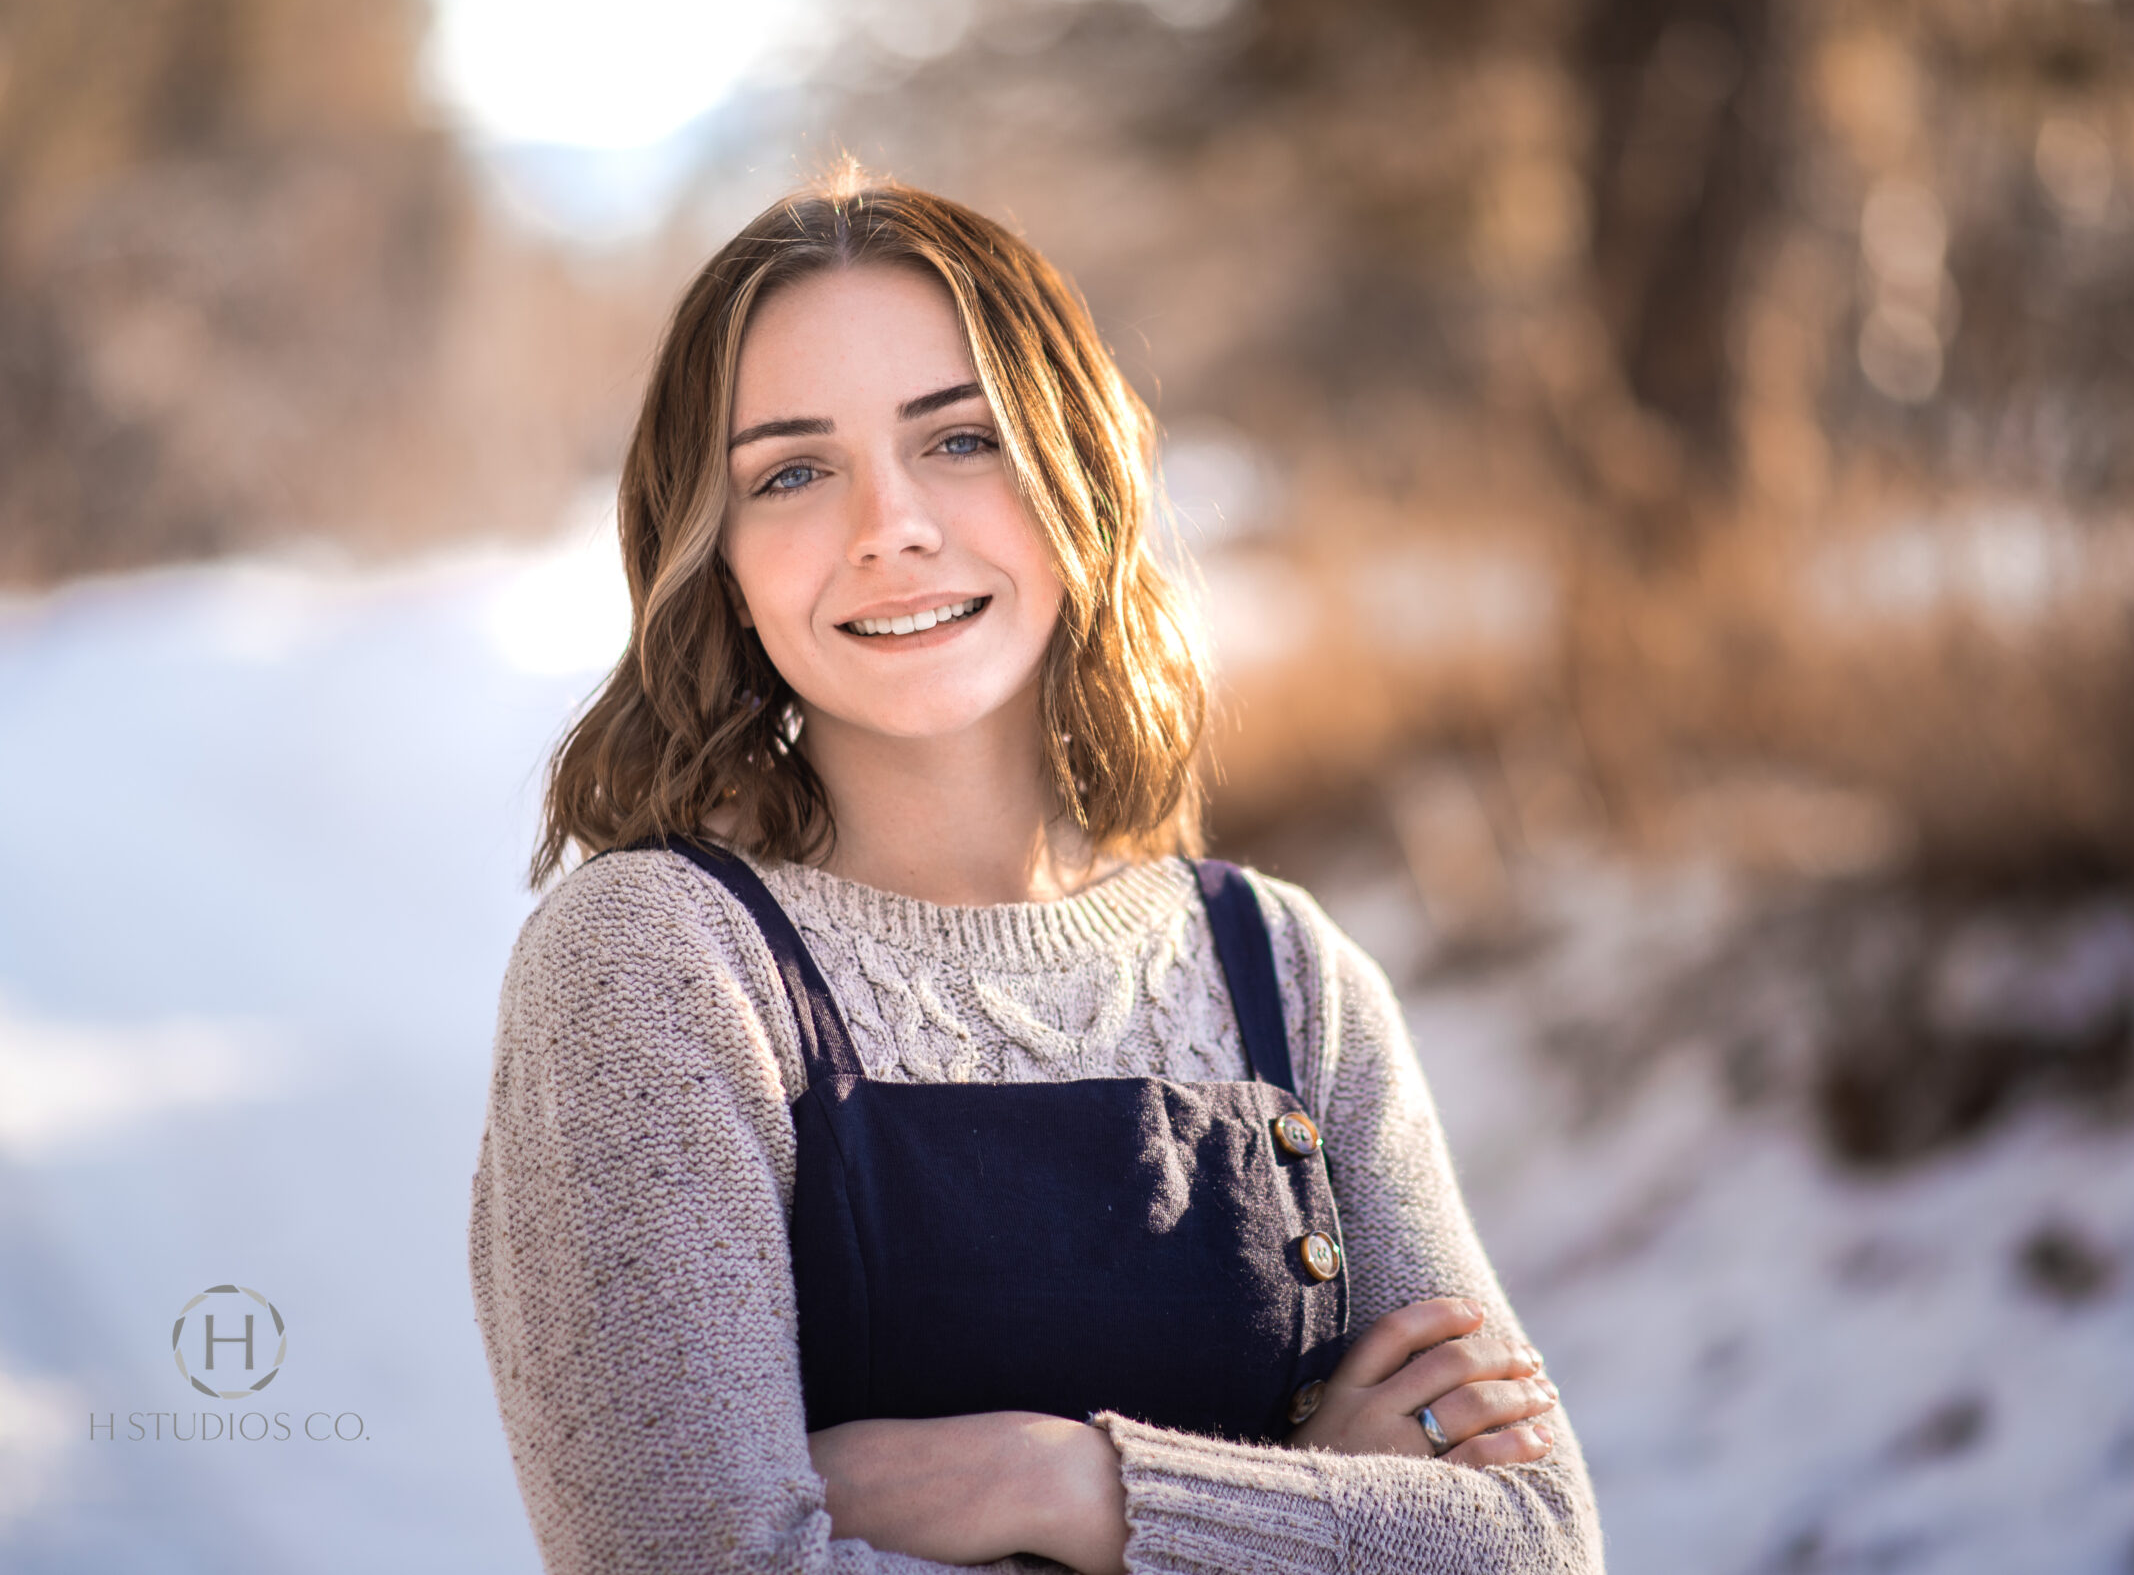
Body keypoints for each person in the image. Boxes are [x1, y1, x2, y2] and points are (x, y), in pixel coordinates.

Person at [467, 168, 1605, 1574]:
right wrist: (1315, 1512)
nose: (890, 525)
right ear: (721, 556)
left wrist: (1066, 1485)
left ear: (1077, 473)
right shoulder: (655, 965)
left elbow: (1532, 1547)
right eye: (794, 471)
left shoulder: (1288, 973)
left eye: (962, 440)